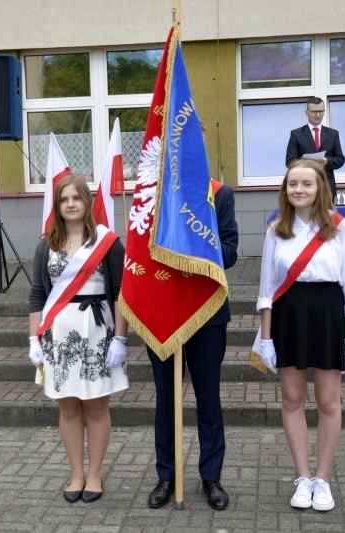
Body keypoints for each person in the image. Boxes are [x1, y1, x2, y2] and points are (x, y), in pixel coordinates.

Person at [256, 159, 345, 512]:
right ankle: (303, 477)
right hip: (288, 314)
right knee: (291, 399)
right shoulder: (276, 230)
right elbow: (267, 290)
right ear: (285, 190)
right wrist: (267, 338)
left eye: (306, 183)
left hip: (328, 313)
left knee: (329, 402)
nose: (299, 190)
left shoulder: (340, 227)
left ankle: (323, 479)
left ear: (320, 187)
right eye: (292, 184)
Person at [28, 174, 128, 504]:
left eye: (76, 198)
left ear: (87, 202)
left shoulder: (108, 242)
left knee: (97, 407)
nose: (70, 204)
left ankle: (96, 474)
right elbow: (38, 295)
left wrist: (120, 339)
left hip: (98, 332)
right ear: (57, 206)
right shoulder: (46, 244)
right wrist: (33, 339)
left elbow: (120, 293)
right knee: (68, 407)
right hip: (58, 335)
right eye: (64, 199)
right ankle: (76, 474)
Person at [146, 178, 239, 511]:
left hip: (207, 312)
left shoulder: (219, 193)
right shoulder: (152, 195)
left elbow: (230, 251)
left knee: (208, 397)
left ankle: (211, 476)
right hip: (163, 312)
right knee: (166, 399)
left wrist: (194, 243)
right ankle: (167, 476)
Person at [285, 97, 345, 201]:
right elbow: (290, 161)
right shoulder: (296, 134)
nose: (318, 115)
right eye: (314, 112)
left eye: (320, 111)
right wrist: (307, 163)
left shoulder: (333, 134)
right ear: (306, 113)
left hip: (327, 186)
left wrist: (327, 162)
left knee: (327, 217)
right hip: (304, 187)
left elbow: (340, 159)